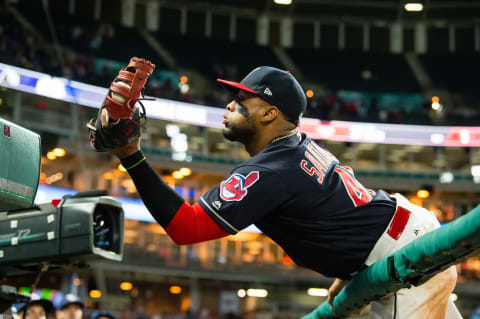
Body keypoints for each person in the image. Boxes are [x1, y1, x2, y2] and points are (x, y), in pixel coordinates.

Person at [106, 66, 459, 318]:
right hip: (401, 236)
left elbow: (188, 227)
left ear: (270, 113)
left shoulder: (270, 170)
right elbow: (333, 211)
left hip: (400, 254)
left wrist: (131, 156)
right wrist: (351, 273)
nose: (230, 104)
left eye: (243, 99)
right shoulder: (295, 147)